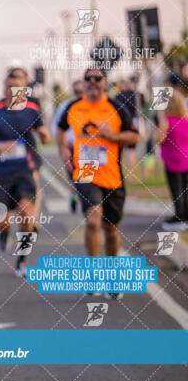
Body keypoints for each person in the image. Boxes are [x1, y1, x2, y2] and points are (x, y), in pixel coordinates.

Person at [57, 66, 138, 299]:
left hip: (112, 174)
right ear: (83, 83)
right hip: (85, 171)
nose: (92, 82)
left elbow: (133, 136)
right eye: (88, 79)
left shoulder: (116, 107)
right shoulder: (74, 107)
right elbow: (61, 131)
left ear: (105, 82)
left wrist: (112, 136)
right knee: (93, 218)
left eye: (97, 78)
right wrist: (64, 151)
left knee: (111, 230)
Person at [0, 74, 50, 277]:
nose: (14, 92)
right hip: (1, 172)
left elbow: (44, 135)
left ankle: (22, 261)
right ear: (4, 90)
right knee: (2, 220)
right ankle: (3, 232)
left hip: (24, 170)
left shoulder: (32, 111)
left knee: (27, 215)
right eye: (10, 87)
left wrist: (45, 135)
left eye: (18, 88)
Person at [153, 85, 188, 231]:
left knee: (176, 190)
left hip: (172, 161)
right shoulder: (186, 120)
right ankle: (185, 215)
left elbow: (159, 139)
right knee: (185, 190)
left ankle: (179, 217)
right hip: (186, 159)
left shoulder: (166, 120)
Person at [50, 80, 84, 213]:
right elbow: (56, 127)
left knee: (86, 178)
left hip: (88, 149)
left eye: (82, 91)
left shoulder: (91, 106)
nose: (80, 94)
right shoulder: (66, 106)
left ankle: (85, 198)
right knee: (73, 175)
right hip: (70, 147)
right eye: (77, 92)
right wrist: (64, 145)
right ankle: (75, 193)